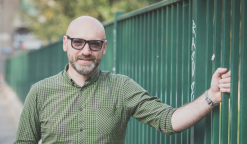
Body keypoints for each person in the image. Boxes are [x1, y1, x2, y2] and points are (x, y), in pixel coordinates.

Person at [14, 16, 231, 144]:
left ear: (104, 47)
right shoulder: (40, 92)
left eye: (95, 44)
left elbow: (168, 121)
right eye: (78, 42)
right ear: (65, 43)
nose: (86, 51)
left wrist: (210, 97)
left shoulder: (122, 87)